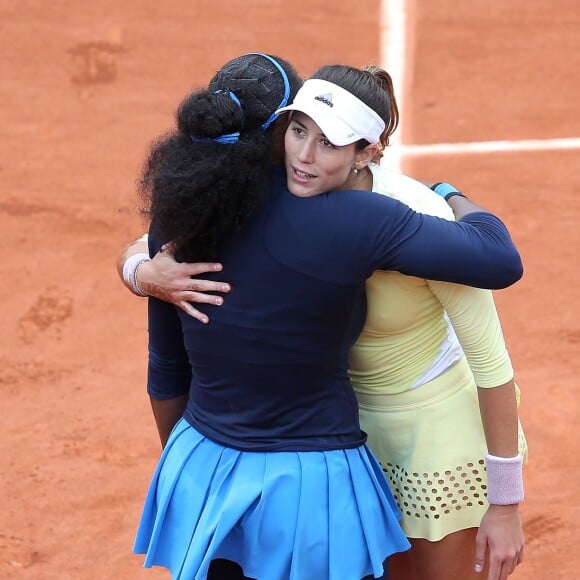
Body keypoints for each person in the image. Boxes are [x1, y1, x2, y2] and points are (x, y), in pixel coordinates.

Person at [125, 52, 524, 580]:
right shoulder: (358, 220)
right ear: (279, 130)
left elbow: (166, 371)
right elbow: (498, 258)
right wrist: (452, 194)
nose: (305, 155)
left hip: (210, 465)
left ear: (366, 153)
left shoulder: (178, 225)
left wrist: (136, 270)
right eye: (298, 130)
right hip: (318, 480)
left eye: (327, 141)